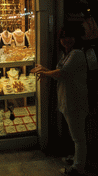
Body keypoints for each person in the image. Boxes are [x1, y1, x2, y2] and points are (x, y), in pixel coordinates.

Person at [31, 24, 89, 176]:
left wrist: (46, 72)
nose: (66, 40)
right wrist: (45, 70)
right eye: (63, 37)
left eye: (69, 37)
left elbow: (62, 73)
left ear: (75, 38)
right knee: (74, 133)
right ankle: (76, 158)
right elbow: (58, 72)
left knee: (78, 137)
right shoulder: (67, 54)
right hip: (67, 99)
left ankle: (78, 167)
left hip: (75, 100)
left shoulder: (77, 54)